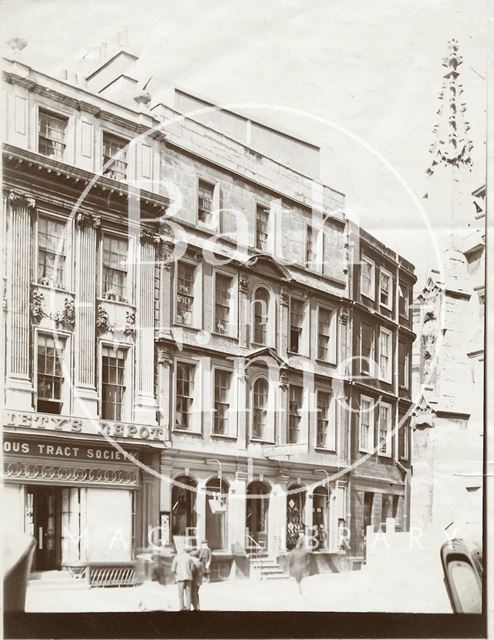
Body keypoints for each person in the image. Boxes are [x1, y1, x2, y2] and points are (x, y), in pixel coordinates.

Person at [170, 545, 194, 611]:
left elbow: (173, 569)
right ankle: (188, 608)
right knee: (188, 594)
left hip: (180, 578)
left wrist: (176, 573)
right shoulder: (189, 557)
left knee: (180, 595)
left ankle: (181, 608)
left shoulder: (176, 558)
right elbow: (192, 568)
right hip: (188, 578)